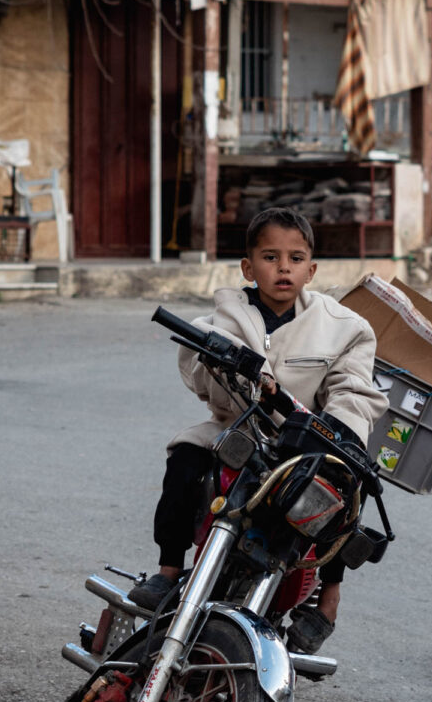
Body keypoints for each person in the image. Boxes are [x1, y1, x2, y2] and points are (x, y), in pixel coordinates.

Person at [130, 206, 388, 653]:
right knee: (184, 459)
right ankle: (169, 570)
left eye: (295, 257)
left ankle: (328, 599)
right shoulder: (224, 317)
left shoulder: (345, 328)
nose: (283, 267)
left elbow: (354, 390)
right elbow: (195, 368)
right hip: (236, 431)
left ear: (311, 269)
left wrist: (341, 434)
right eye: (270, 257)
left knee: (345, 491)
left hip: (308, 442)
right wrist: (224, 359)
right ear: (249, 267)